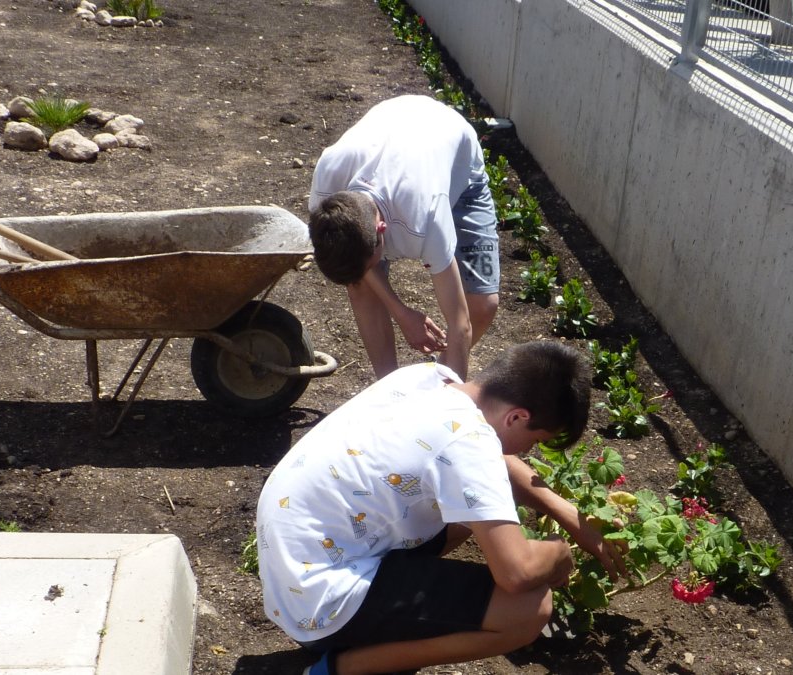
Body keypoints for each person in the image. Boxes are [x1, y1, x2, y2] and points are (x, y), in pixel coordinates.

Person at [255, 340, 627, 675]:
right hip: (320, 606)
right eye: (535, 440)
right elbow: (516, 573)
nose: (527, 452)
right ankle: (343, 667)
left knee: (473, 515)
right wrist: (559, 554)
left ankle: (379, 628)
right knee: (530, 607)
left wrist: (570, 517)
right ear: (516, 417)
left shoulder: (432, 379)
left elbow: (486, 458)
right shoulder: (468, 442)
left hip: (292, 572)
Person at [308, 94, 499, 381]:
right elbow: (359, 270)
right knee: (361, 288)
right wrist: (402, 313)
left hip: (455, 151)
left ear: (381, 229)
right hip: (393, 120)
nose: (369, 269)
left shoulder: (425, 217)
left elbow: (459, 323)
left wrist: (452, 411)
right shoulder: (329, 183)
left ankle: (441, 381)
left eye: (373, 261)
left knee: (483, 305)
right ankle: (391, 390)